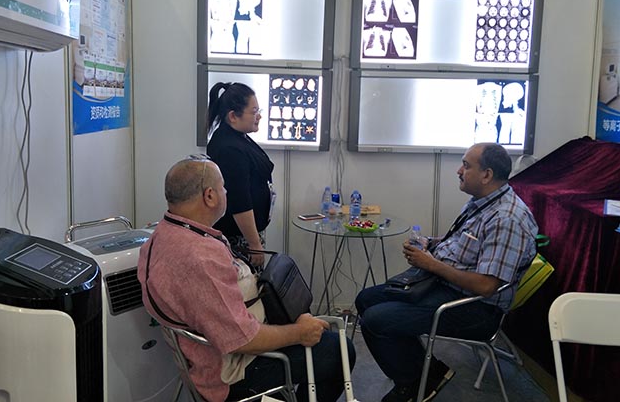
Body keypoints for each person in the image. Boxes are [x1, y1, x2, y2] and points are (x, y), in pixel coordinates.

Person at [138, 157, 355, 402]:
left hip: (229, 338)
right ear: (210, 196)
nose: (226, 192)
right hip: (236, 369)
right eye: (223, 187)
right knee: (340, 351)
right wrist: (298, 333)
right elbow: (243, 339)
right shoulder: (200, 258)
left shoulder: (162, 234)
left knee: (317, 328)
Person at [355, 143, 537, 402]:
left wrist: (431, 264)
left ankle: (414, 383)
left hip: (476, 309)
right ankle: (427, 371)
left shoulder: (506, 220)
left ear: (486, 175)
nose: (458, 171)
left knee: (376, 321)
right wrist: (430, 243)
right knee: (365, 299)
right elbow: (467, 242)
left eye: (466, 165)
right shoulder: (483, 203)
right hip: (445, 285)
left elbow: (486, 286)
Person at [207, 82, 273, 270]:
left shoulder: (238, 136)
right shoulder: (229, 149)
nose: (259, 116)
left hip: (247, 234)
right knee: (245, 284)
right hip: (239, 239)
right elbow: (239, 202)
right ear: (233, 116)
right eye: (254, 112)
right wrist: (254, 244)